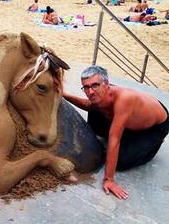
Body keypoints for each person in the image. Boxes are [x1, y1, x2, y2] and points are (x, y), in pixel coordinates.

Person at [63, 66, 168, 200]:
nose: (90, 91)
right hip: (129, 119)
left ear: (106, 84)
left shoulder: (124, 99)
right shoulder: (101, 95)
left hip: (153, 127)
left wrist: (109, 179)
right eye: (86, 87)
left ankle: (154, 143)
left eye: (95, 85)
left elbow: (114, 139)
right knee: (95, 113)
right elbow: (89, 106)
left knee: (121, 161)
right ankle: (126, 131)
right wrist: (64, 95)